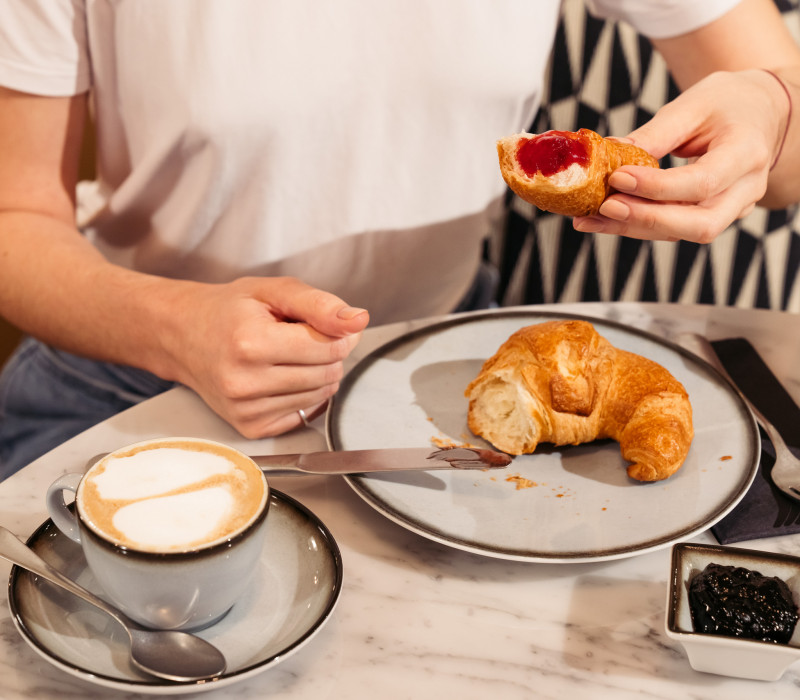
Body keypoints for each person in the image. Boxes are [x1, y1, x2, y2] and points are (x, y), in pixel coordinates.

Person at [0, 0, 798, 477]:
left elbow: (790, 161)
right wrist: (175, 331)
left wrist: (772, 104)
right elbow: (15, 218)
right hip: (125, 386)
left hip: (438, 381)